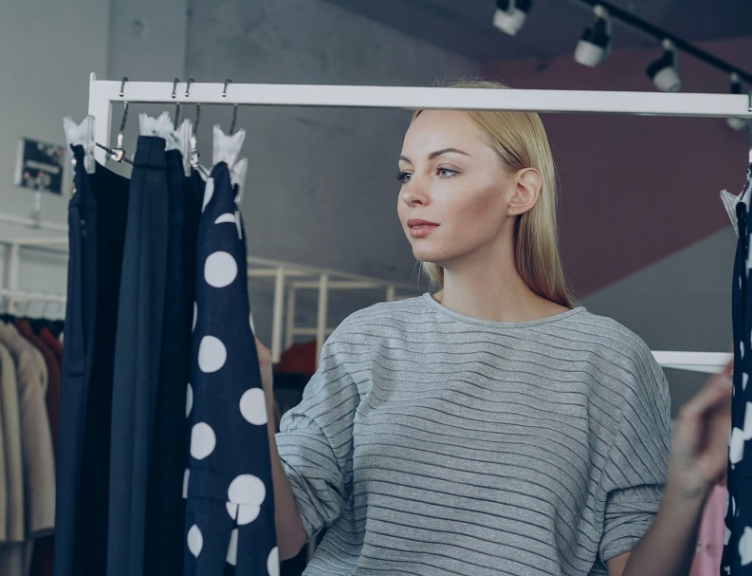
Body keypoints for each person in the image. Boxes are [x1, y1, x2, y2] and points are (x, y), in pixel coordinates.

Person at [256, 78, 733, 576]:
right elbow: (281, 537)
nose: (413, 194)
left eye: (444, 169)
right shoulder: (365, 339)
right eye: (404, 175)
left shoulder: (609, 359)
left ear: (521, 191)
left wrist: (688, 486)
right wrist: (258, 401)